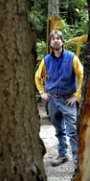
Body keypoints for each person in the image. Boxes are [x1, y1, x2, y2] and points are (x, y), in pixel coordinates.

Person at [35, 30, 83, 169]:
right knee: (58, 130)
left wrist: (77, 96)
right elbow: (37, 77)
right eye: (53, 39)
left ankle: (77, 162)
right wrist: (42, 92)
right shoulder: (46, 60)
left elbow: (82, 75)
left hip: (67, 99)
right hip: (52, 100)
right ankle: (62, 154)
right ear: (50, 43)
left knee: (72, 131)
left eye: (58, 38)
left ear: (62, 41)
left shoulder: (72, 58)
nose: (56, 40)